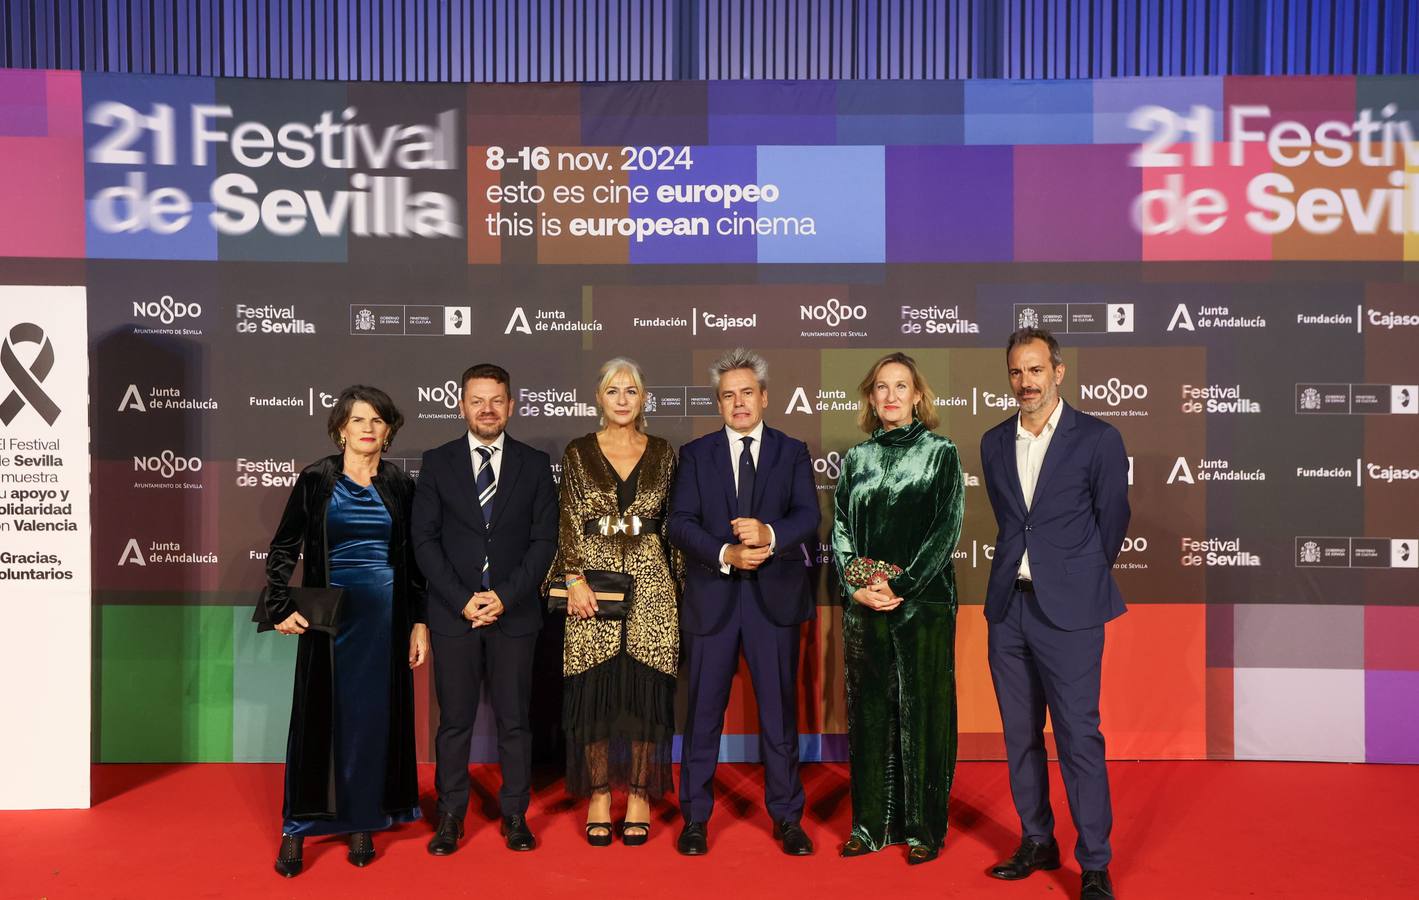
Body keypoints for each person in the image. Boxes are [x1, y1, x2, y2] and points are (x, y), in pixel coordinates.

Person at [980, 327, 1130, 900]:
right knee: (1020, 735)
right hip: (1008, 609)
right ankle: (1037, 840)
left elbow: (1112, 518)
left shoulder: (1098, 438)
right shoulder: (994, 441)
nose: (1026, 382)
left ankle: (1094, 862)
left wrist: (1075, 575)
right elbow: (1012, 520)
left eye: (1036, 370)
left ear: (1058, 372)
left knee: (1077, 736)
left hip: (1070, 613)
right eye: (1017, 372)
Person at [259, 385, 429, 878]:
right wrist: (279, 605)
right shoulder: (316, 479)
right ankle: (296, 829)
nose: (369, 428)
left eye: (378, 421)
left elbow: (414, 563)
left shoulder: (399, 484)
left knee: (373, 723)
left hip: (385, 620)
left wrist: (419, 623)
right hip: (328, 619)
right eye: (359, 420)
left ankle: (362, 819)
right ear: (341, 429)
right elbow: (283, 548)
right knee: (317, 721)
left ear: (389, 430)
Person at [666, 348, 820, 857]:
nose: (739, 403)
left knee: (779, 716)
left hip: (773, 602)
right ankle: (695, 819)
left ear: (764, 397)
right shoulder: (695, 454)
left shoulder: (792, 450)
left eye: (747, 393)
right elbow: (680, 523)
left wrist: (770, 534)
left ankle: (787, 817)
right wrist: (726, 552)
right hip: (712, 600)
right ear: (719, 404)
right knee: (702, 717)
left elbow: (808, 515)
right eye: (728, 395)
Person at [412, 363, 558, 856]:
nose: (488, 409)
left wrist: (504, 597)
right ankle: (451, 814)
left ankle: (515, 812)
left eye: (497, 400)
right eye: (478, 400)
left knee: (515, 720)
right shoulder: (437, 462)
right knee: (454, 722)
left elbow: (544, 541)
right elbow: (424, 541)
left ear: (511, 405)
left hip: (514, 614)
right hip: (454, 614)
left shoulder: (534, 464)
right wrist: (463, 599)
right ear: (461, 405)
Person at [831, 352, 965, 865]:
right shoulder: (857, 460)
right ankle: (868, 826)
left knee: (924, 715)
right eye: (881, 387)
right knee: (869, 714)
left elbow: (944, 530)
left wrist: (903, 583)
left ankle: (923, 830)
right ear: (870, 397)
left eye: (901, 386)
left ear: (917, 396)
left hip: (923, 606)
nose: (890, 395)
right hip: (865, 607)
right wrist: (855, 585)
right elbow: (840, 528)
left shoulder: (941, 453)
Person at [547, 357, 680, 847]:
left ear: (643, 399)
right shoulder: (578, 451)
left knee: (645, 693)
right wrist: (573, 578)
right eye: (613, 391)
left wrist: (679, 594)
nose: (622, 399)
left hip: (651, 582)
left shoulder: (665, 452)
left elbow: (672, 527)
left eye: (631, 391)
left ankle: (641, 794)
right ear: (598, 398)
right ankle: (600, 794)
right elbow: (566, 519)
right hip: (592, 583)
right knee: (594, 690)